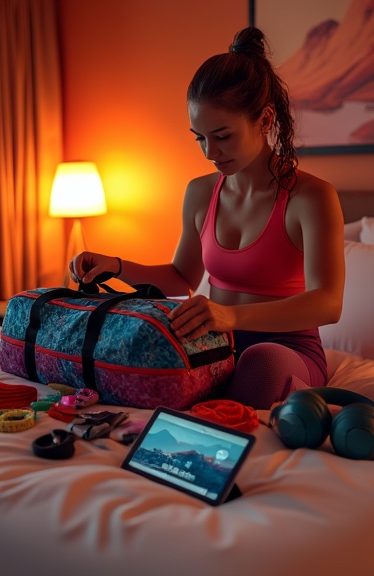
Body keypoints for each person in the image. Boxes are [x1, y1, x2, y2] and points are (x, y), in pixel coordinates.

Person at [69, 27, 345, 410]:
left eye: (223, 136)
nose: (209, 152)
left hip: (285, 350)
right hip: (216, 346)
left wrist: (230, 316)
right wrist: (115, 265)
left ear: (266, 120)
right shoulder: (200, 192)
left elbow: (328, 303)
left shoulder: (311, 197)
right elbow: (181, 277)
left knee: (261, 364)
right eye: (199, 137)